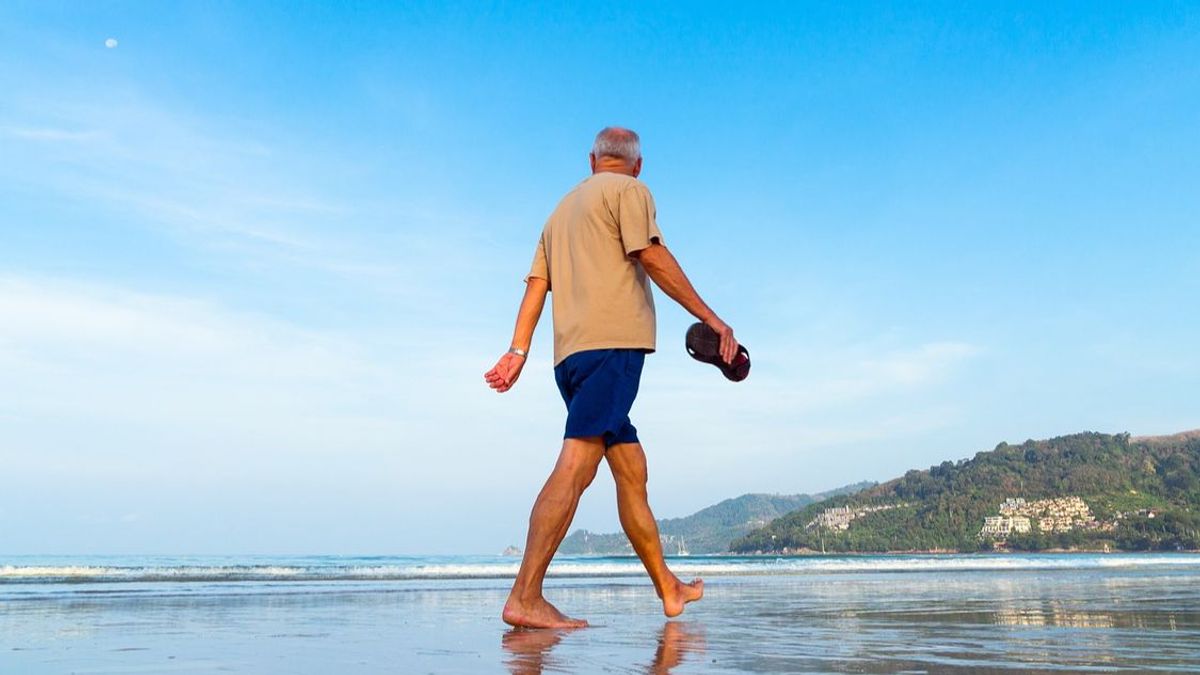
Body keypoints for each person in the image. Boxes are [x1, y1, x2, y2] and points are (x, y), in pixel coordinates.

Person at [484, 127, 739, 629]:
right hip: (612, 349)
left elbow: (537, 288)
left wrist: (518, 350)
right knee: (577, 464)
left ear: (592, 160)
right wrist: (713, 319)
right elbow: (651, 256)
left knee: (630, 469)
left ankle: (668, 587)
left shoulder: (558, 213)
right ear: (637, 165)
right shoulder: (632, 192)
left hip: (570, 359)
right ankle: (525, 596)